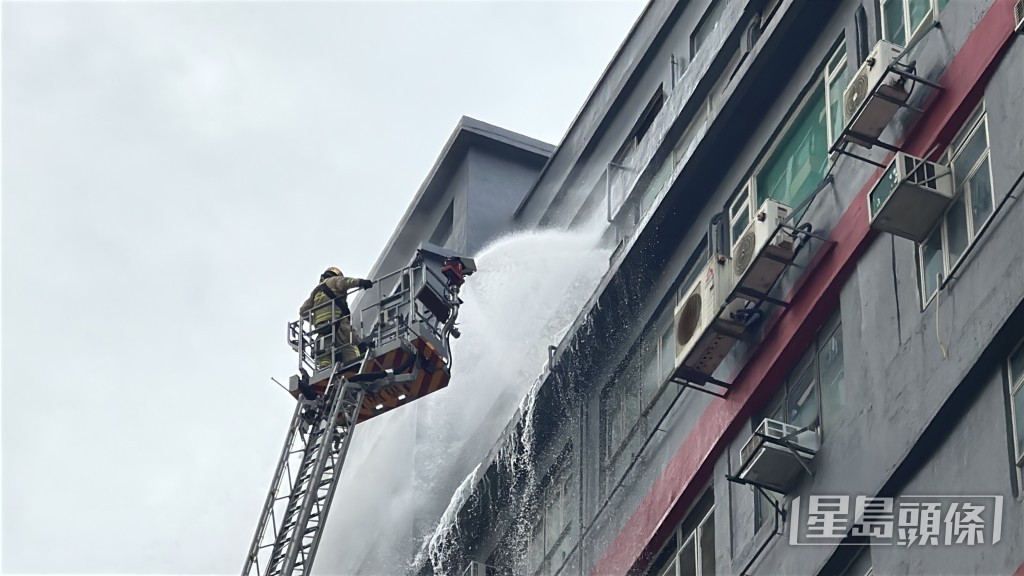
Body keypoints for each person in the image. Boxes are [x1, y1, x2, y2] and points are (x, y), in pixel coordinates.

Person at [299, 267, 374, 369]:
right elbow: (348, 282)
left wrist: (316, 321)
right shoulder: (335, 280)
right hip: (339, 324)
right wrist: (362, 282)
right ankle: (354, 367)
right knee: (349, 346)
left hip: (322, 328)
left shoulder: (315, 291)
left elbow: (303, 311)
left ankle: (325, 370)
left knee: (324, 352)